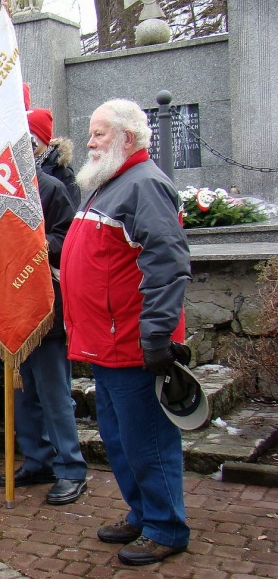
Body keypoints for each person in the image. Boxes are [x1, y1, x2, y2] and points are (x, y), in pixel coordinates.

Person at [61, 99, 192, 566]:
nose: (89, 142)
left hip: (133, 344)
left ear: (127, 139)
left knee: (148, 440)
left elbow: (167, 265)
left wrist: (157, 335)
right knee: (120, 440)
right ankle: (143, 513)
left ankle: (165, 527)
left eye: (98, 134)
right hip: (105, 344)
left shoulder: (145, 185)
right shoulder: (108, 184)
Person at [0, 170, 87, 505]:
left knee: (54, 397)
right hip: (10, 309)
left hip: (46, 307)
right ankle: (37, 460)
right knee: (22, 396)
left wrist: (31, 243)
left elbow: (67, 241)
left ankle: (71, 468)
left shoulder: (50, 188)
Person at [28, 107, 80, 208]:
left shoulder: (62, 171)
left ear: (43, 134)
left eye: (32, 133)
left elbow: (69, 213)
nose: (28, 139)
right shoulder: (21, 165)